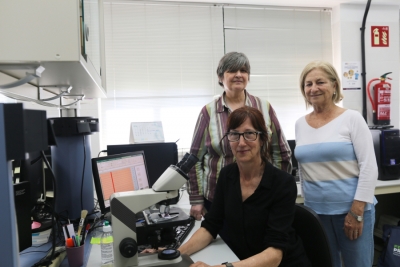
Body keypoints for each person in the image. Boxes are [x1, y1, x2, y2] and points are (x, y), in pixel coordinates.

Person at [179, 106, 310, 267]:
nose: (241, 143)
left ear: (262, 139)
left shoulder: (282, 183)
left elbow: (275, 255)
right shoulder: (227, 176)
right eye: (234, 134)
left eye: (249, 134)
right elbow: (211, 227)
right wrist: (176, 255)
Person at [188, 52, 292, 221]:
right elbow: (194, 159)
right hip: (216, 199)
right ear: (221, 77)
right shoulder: (208, 112)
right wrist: (196, 199)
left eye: (243, 70)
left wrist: (276, 188)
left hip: (260, 197)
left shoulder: (264, 107)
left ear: (248, 77)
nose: (238, 74)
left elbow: (281, 152)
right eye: (232, 70)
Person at [294, 60, 378, 267]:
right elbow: (305, 168)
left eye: (320, 82)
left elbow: (369, 166)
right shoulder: (300, 124)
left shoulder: (352, 119)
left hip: (352, 211)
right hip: (317, 213)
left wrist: (356, 211)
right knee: (325, 263)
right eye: (308, 84)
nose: (313, 88)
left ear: (333, 85)